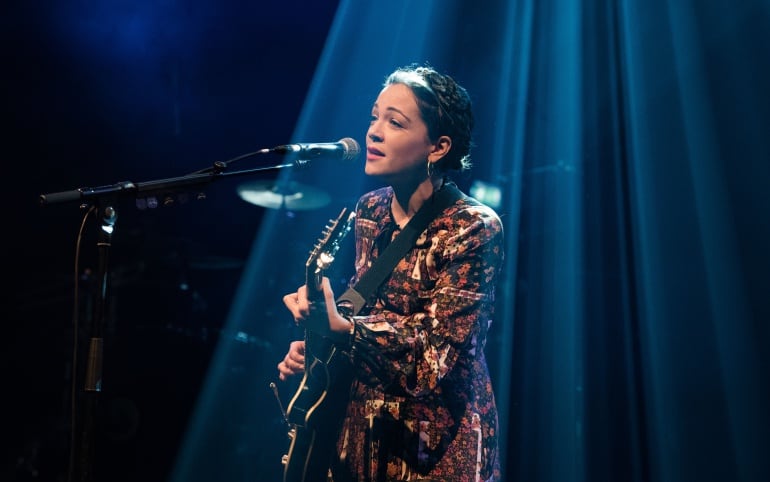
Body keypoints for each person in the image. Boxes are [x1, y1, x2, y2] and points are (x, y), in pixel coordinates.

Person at [277, 63, 504, 482]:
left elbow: (432, 358)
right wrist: (319, 341)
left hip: (433, 449)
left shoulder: (472, 227)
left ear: (437, 148)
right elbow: (366, 308)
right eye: (374, 117)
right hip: (362, 437)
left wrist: (344, 329)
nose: (374, 132)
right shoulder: (371, 211)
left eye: (394, 122)